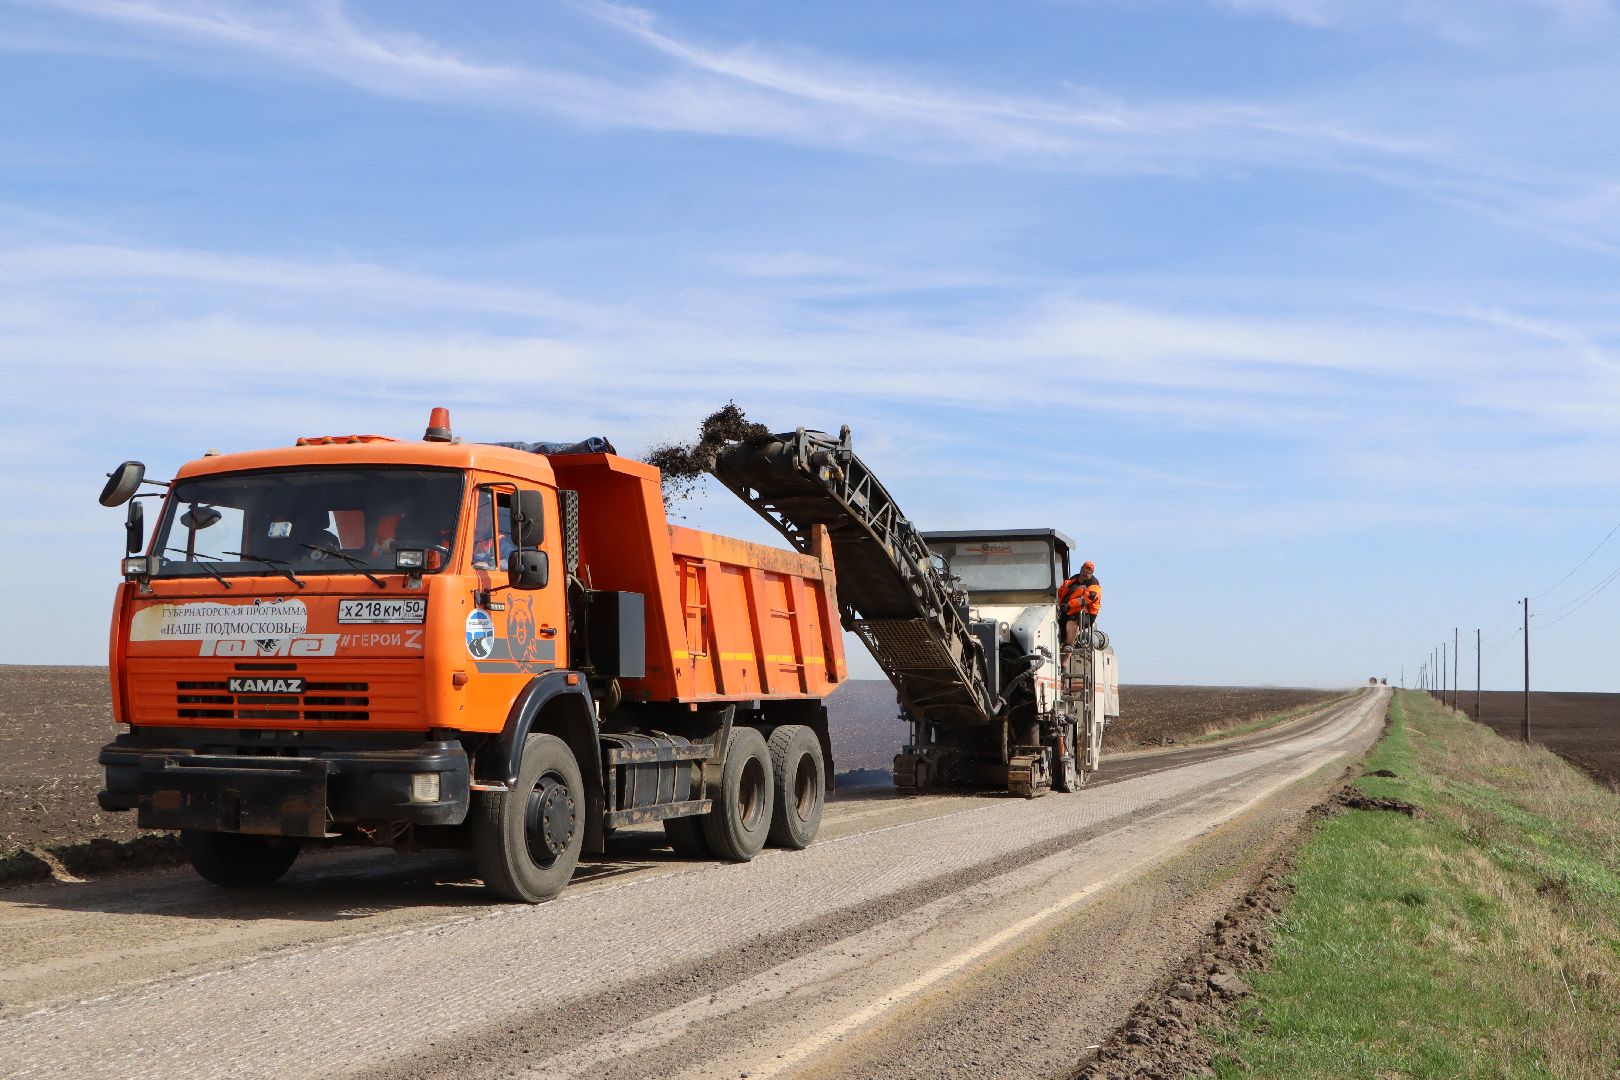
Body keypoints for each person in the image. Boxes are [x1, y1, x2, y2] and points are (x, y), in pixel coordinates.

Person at [1059, 560, 1102, 645]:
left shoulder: (1094, 585)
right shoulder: (1072, 581)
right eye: (1083, 571)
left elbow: (1085, 599)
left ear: (1091, 573)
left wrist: (1069, 605)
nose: (1084, 574)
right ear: (1081, 569)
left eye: (1088, 573)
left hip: (1086, 614)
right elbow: (1060, 592)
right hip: (1066, 611)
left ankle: (1069, 645)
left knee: (1073, 621)